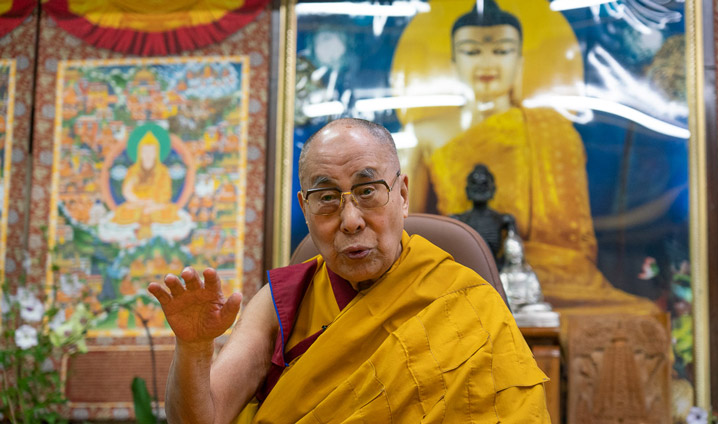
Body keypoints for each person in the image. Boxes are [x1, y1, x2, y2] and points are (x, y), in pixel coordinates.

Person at [148, 118, 550, 423]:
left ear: (402, 196)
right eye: (327, 198)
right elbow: (203, 417)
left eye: (368, 190)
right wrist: (195, 348)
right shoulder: (283, 300)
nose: (351, 220)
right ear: (305, 210)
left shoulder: (467, 301)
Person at [408, 0, 659, 319]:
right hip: (458, 270)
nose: (487, 63)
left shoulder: (554, 130)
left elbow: (576, 244)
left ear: (520, 60)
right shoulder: (426, 132)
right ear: (453, 61)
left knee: (642, 316)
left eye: (502, 51)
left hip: (553, 276)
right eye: (472, 52)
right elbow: (409, 232)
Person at [112, 123, 179, 237]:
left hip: (156, 206)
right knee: (121, 212)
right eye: (145, 151)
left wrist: (154, 203)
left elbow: (166, 194)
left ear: (156, 153)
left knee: (170, 212)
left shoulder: (162, 171)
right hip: (137, 204)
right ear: (140, 153)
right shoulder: (133, 170)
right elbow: (127, 192)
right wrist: (138, 201)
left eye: (151, 151)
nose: (148, 154)